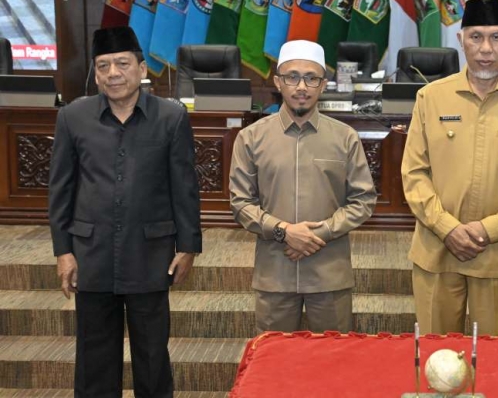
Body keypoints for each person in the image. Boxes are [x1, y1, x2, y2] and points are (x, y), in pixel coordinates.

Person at [48, 26, 201, 397]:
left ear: (141, 68)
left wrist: (189, 246)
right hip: (91, 253)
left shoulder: (171, 116)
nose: (113, 73)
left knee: (152, 354)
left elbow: (184, 187)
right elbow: (61, 189)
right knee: (94, 356)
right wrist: (63, 251)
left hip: (150, 253)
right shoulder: (73, 117)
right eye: (103, 66)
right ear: (96, 74)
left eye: (122, 63)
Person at [401, 0, 498, 336]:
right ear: (460, 40)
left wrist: (490, 230)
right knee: (435, 355)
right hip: (437, 249)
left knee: (494, 358)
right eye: (476, 37)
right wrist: (447, 228)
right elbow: (414, 173)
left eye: (497, 37)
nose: (486, 48)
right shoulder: (430, 98)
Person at [229, 40, 376, 333]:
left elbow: (363, 201)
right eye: (292, 77)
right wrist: (285, 232)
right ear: (278, 82)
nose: (301, 86)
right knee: (274, 365)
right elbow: (240, 204)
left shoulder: (345, 137)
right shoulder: (250, 138)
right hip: (275, 275)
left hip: (329, 274)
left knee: (332, 364)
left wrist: (316, 234)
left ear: (323, 85)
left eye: (311, 78)